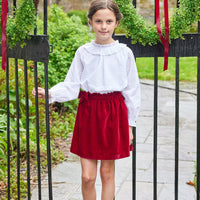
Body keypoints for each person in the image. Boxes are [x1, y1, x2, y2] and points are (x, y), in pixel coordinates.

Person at [32, 0, 141, 199]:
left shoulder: (124, 53)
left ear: (116, 22)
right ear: (90, 21)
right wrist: (50, 94)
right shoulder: (83, 52)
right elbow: (72, 85)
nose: (104, 26)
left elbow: (132, 90)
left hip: (114, 113)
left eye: (109, 21)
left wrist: (130, 125)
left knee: (107, 174)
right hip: (89, 112)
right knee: (87, 177)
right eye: (98, 21)